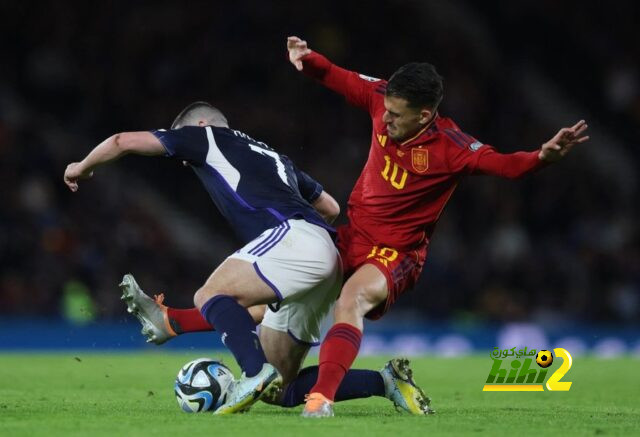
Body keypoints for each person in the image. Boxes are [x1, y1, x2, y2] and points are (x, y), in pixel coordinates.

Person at [285, 36, 590, 417]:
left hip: (397, 253)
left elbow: (505, 165)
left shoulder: (450, 146)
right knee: (280, 285)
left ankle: (320, 400)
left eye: (397, 115)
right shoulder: (381, 98)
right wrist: (307, 57)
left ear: (425, 115)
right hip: (353, 236)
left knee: (352, 301)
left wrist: (541, 157)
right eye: (387, 110)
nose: (386, 119)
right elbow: (335, 75)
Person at [63, 101, 431, 416]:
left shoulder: (206, 137)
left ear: (202, 124)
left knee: (209, 295)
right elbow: (330, 206)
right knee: (282, 391)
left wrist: (82, 166)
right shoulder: (274, 157)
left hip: (295, 238)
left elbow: (121, 141)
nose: (183, 161)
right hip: (326, 255)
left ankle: (251, 371)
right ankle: (385, 381)